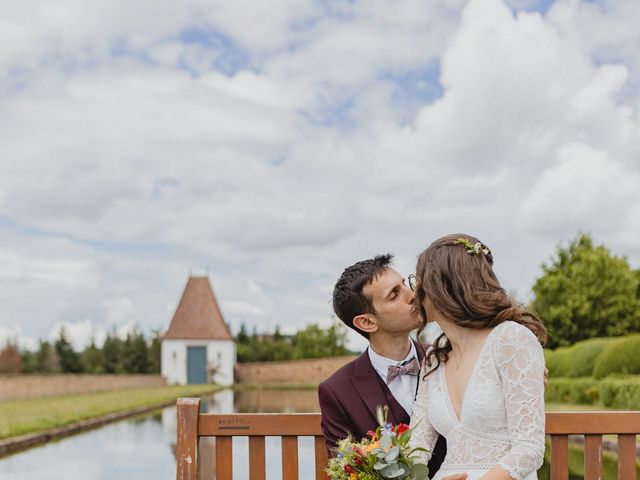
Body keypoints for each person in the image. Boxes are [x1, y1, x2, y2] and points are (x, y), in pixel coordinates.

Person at [409, 234, 547, 480]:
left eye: (417, 281)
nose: (413, 293)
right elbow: (416, 447)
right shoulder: (434, 358)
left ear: (440, 287)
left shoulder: (511, 340)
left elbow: (530, 448)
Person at [318, 254, 451, 479]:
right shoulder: (337, 391)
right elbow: (346, 473)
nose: (413, 294)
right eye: (394, 294)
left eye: (405, 284)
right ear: (367, 322)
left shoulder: (447, 357)